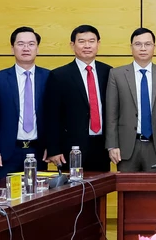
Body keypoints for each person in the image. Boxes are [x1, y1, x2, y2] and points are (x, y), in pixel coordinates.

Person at [43, 25, 112, 173]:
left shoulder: (109, 72)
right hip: (72, 148)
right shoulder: (59, 76)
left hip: (103, 145)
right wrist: (53, 149)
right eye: (82, 41)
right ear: (72, 45)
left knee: (101, 190)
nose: (87, 45)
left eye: (91, 41)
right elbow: (51, 115)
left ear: (98, 44)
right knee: (74, 192)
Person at [105, 28, 156, 172]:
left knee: (155, 193)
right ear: (131, 47)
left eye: (147, 44)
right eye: (138, 44)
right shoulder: (116, 74)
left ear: (154, 47)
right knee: (127, 192)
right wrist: (112, 145)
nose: (143, 48)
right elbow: (111, 113)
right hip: (126, 148)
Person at [0, 27, 49, 178]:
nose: (26, 48)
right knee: (7, 198)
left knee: (39, 198)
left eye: (31, 44)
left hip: (39, 152)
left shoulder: (49, 77)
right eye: (21, 44)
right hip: (7, 153)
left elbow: (54, 117)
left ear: (37, 48)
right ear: (12, 48)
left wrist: (52, 146)